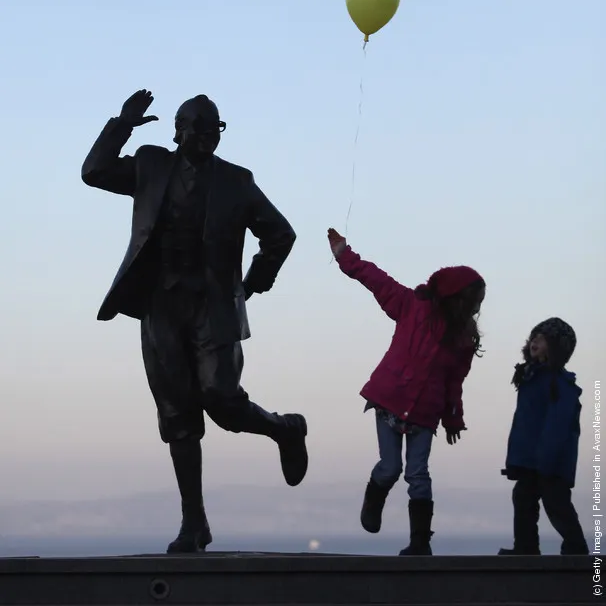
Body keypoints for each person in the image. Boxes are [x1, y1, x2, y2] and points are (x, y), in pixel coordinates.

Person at [82, 90, 308, 554]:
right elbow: (95, 172)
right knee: (178, 417)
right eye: (199, 130)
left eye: (215, 131)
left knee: (222, 401)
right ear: (179, 131)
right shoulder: (150, 165)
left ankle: (285, 429)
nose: (207, 139)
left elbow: (280, 233)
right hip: (160, 306)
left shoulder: (236, 182)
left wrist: (252, 283)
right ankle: (195, 524)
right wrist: (122, 123)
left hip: (212, 308)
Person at [327, 228, 485, 556]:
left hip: (426, 413)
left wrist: (453, 419)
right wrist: (345, 255)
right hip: (390, 400)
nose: (473, 311)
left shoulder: (463, 340)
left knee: (418, 475)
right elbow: (377, 280)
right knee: (390, 468)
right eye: (471, 303)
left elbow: (455, 383)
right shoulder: (412, 307)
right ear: (454, 298)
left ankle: (420, 543)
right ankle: (374, 498)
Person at [498, 317, 588, 556]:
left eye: (542, 338)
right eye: (533, 337)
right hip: (530, 458)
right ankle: (526, 547)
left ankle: (576, 548)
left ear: (557, 347)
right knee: (523, 498)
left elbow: (559, 424)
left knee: (556, 502)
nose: (534, 341)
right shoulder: (530, 377)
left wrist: (547, 458)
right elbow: (524, 423)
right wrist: (517, 458)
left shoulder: (559, 383)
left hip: (551, 459)